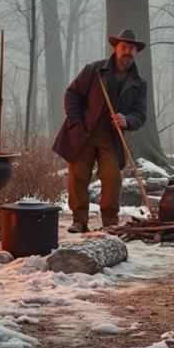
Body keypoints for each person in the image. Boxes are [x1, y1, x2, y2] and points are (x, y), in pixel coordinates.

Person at [53, 29, 148, 234]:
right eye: (124, 47)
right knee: (78, 176)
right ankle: (79, 220)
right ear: (116, 48)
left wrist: (126, 120)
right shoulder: (94, 70)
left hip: (111, 138)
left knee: (113, 177)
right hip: (83, 134)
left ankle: (110, 222)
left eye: (132, 48)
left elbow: (140, 114)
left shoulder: (139, 83)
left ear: (136, 52)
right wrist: (76, 124)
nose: (128, 52)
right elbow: (72, 95)